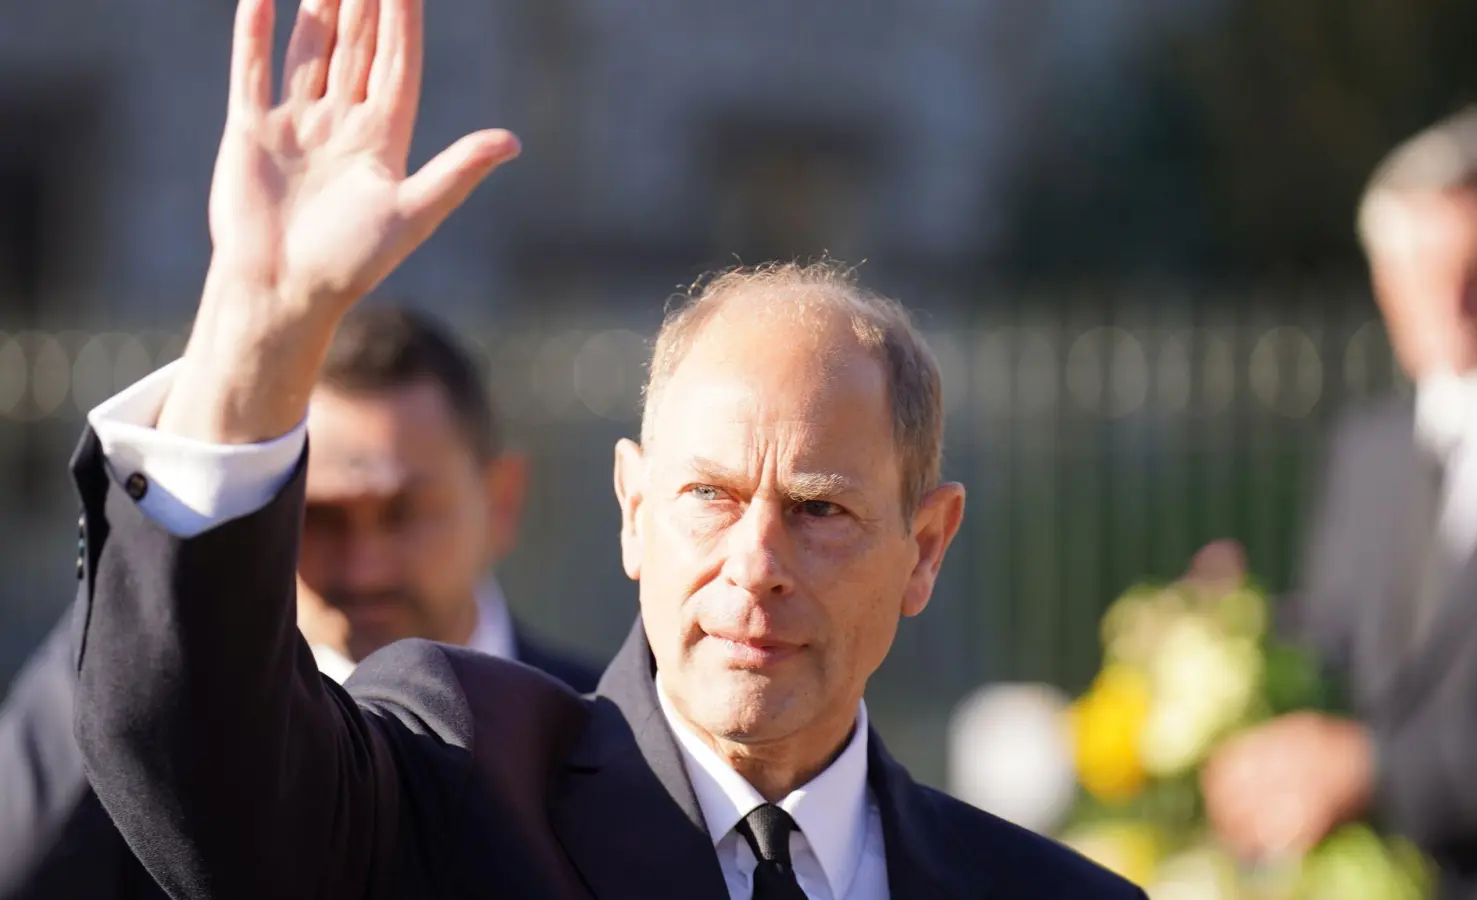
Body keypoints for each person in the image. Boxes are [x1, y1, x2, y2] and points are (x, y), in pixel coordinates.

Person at [64, 1, 1144, 899]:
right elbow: (204, 775)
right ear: (633, 512)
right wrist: (263, 328)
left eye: (818, 509)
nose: (755, 563)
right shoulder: (456, 786)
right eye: (709, 497)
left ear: (926, 547)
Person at [0, 306, 599, 899]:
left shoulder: (605, 739)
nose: (364, 567)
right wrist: (148, 603)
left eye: (404, 513)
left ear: (501, 501)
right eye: (317, 518)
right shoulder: (139, 753)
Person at [1202, 107, 1477, 900]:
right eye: (1419, 271)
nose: (1450, 301)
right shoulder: (1369, 448)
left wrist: (1382, 772)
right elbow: (1352, 647)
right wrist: (1238, 636)